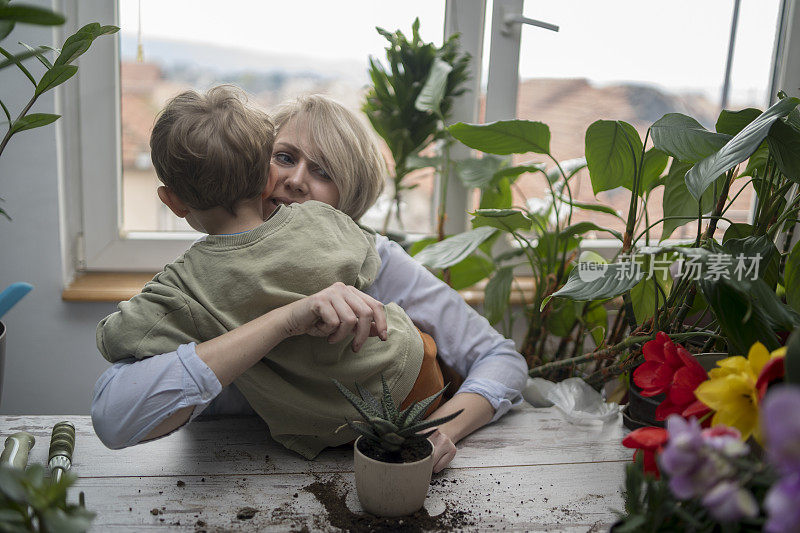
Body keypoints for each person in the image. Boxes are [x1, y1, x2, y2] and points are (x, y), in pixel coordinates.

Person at [92, 94, 528, 472]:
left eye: (323, 172)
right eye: (284, 157)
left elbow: (501, 358)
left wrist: (440, 432)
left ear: (348, 198)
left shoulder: (373, 257)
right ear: (256, 169)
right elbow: (114, 416)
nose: (296, 181)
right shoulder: (200, 285)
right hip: (217, 482)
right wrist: (283, 320)